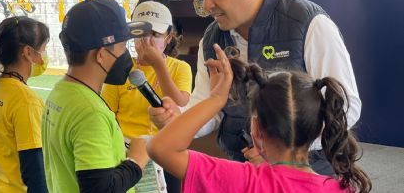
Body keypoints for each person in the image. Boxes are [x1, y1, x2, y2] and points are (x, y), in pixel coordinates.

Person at [149, 0, 361, 175]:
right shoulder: (212, 40)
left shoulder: (308, 24)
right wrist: (179, 116)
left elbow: (345, 107)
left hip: (309, 174)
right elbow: (207, 104)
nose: (207, 5)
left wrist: (281, 149)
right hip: (246, 172)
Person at [147, 45, 372, 193]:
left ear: (256, 128)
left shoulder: (240, 179)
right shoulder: (341, 188)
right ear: (317, 129)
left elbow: (160, 148)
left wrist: (216, 98)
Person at [41, 0, 152, 193]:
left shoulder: (59, 92)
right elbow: (100, 189)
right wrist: (136, 161)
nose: (127, 54)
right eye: (123, 46)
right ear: (101, 54)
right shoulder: (90, 113)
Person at [101, 1, 192, 193]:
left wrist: (159, 65)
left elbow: (180, 104)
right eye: (140, 33)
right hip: (126, 153)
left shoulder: (179, 68)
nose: (146, 41)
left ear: (169, 37)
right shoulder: (120, 69)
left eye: (155, 35)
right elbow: (107, 113)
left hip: (166, 152)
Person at [0, 16, 49, 193]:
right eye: (43, 49)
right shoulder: (26, 101)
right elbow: (35, 173)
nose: (44, 56)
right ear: (27, 52)